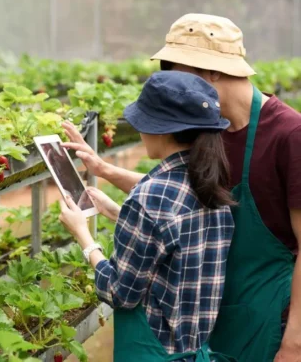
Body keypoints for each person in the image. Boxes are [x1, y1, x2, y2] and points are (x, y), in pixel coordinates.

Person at [61, 14, 301, 362]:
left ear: (212, 71)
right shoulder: (208, 129)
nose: (173, 86)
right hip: (205, 320)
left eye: (175, 73)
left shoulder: (289, 135)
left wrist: (294, 344)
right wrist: (105, 171)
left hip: (268, 322)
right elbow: (182, 197)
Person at [59, 70, 236, 361]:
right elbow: (173, 241)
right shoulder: (213, 186)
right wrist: (117, 210)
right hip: (197, 350)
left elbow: (119, 293)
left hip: (153, 352)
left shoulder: (149, 198)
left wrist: (84, 237)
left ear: (162, 129)